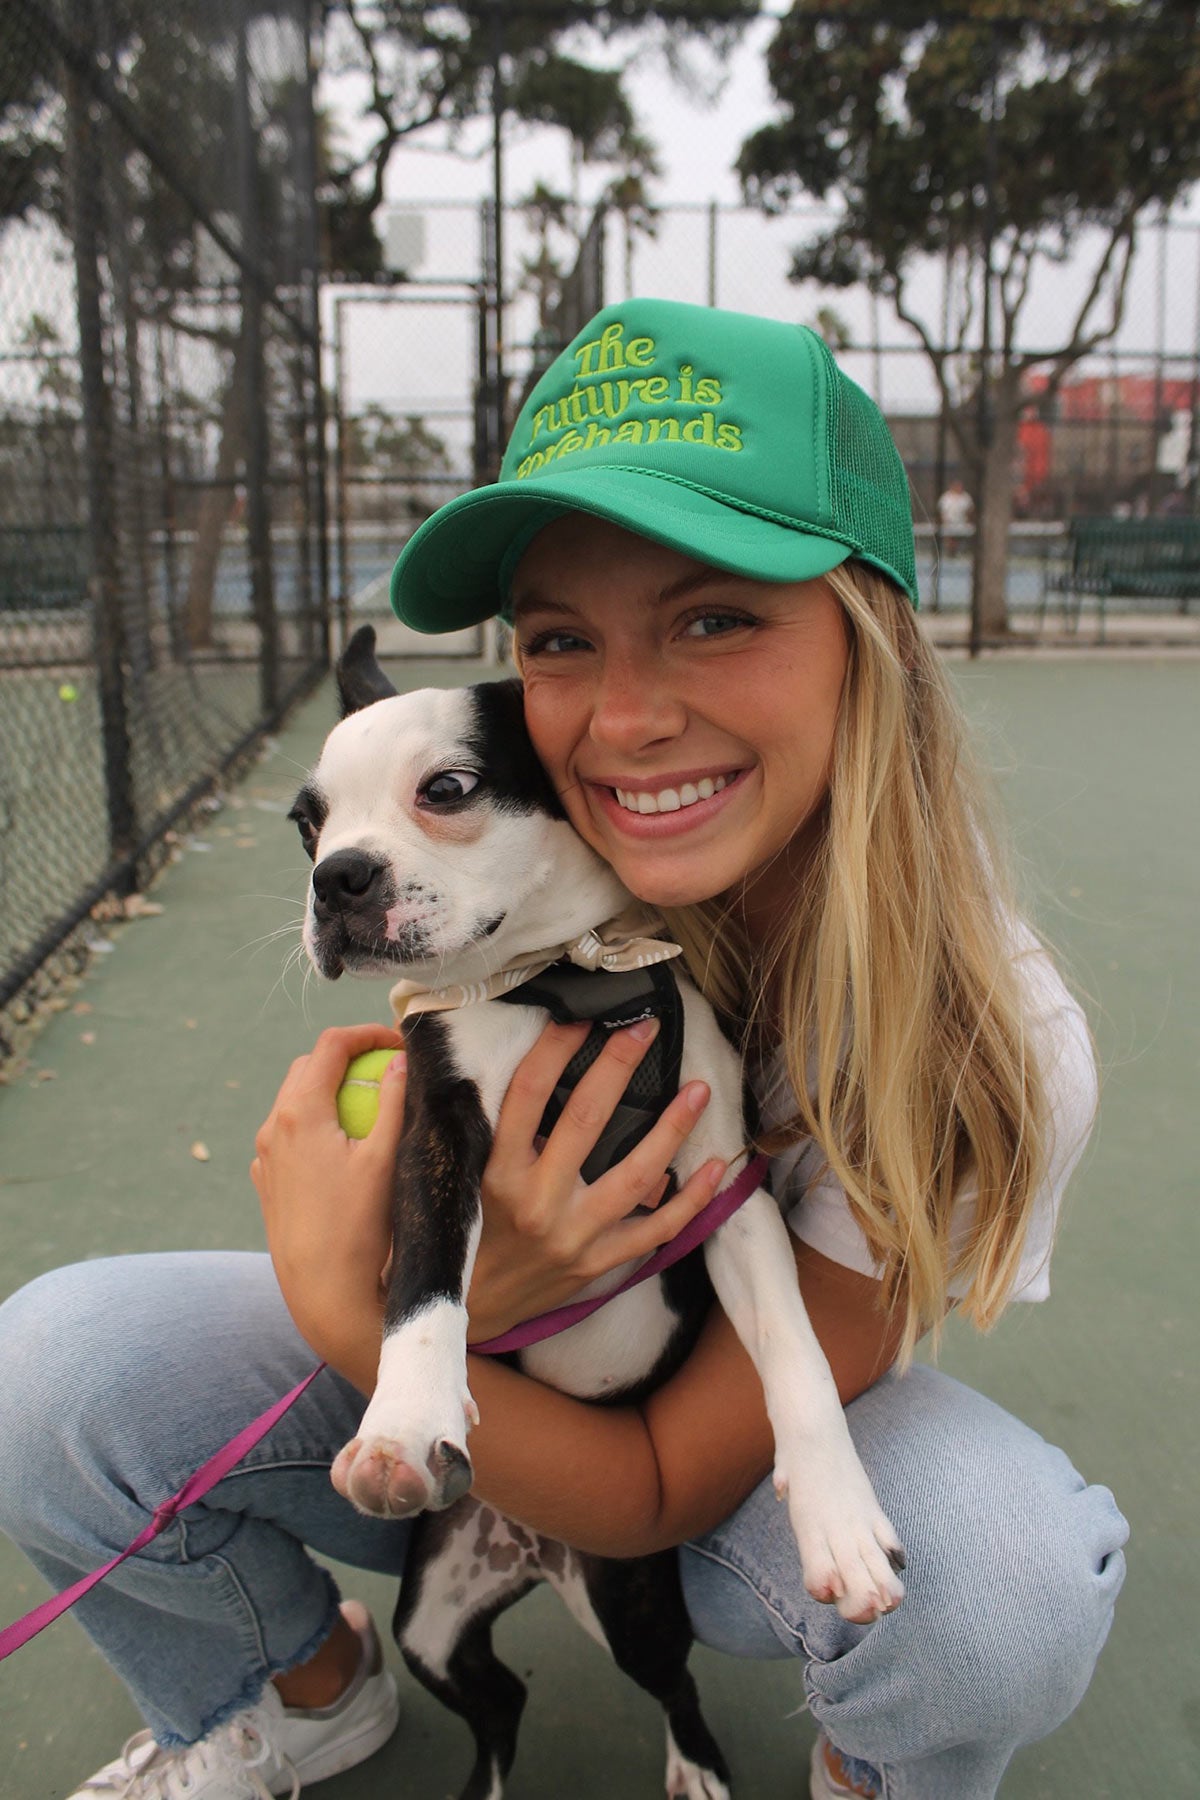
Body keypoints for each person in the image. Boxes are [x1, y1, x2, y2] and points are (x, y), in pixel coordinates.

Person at [0, 300, 1126, 1800]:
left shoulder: (994, 1040)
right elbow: (416, 1132)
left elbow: (661, 1485)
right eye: (558, 639)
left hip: (711, 1457)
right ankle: (303, 1686)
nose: (626, 713)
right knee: (51, 1374)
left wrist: (363, 1321)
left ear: (872, 640)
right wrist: (442, 1305)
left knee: (1001, 1588)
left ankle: (873, 1766)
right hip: (463, 1355)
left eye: (715, 614)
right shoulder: (504, 890)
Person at [936, 477, 974, 555]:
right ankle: (951, 552)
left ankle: (959, 551)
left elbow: (970, 510)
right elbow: (942, 511)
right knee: (950, 537)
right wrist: (944, 522)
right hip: (949, 523)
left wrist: (968, 521)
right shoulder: (946, 497)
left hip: (962, 523)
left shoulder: (965, 497)